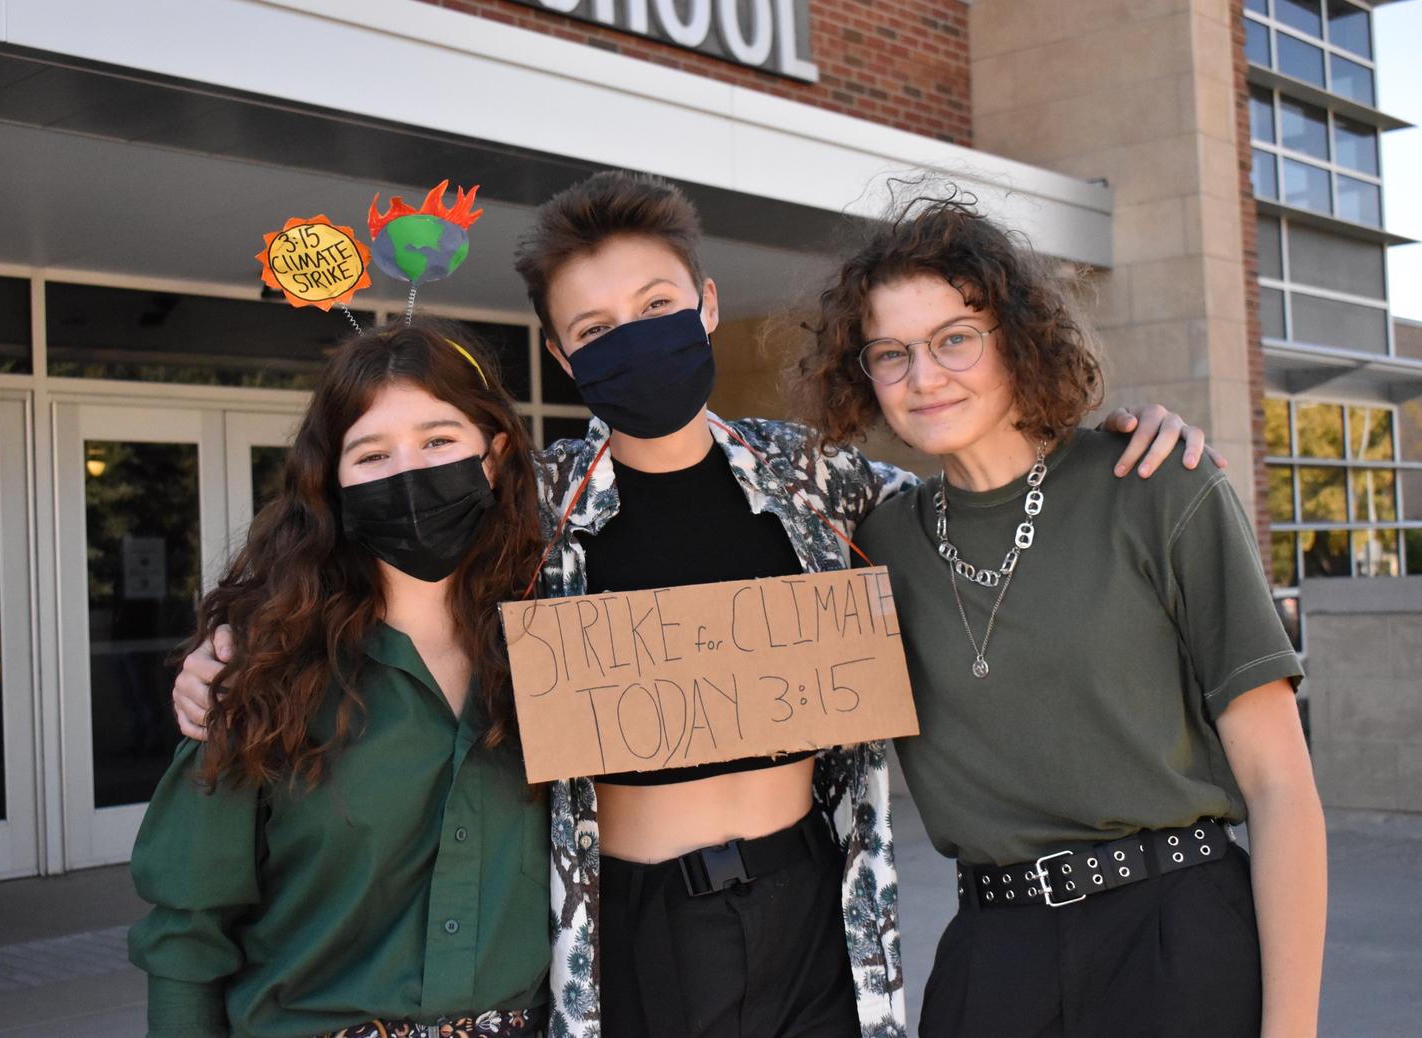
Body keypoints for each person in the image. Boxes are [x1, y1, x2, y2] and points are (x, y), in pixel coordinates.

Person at [175, 172, 1218, 1037]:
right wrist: (231, 641)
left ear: (708, 305)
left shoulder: (821, 480)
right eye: (595, 326)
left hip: (811, 910)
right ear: (561, 353)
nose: (631, 339)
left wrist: (1101, 439)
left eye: (658, 310)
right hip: (628, 929)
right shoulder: (530, 510)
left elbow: (980, 500)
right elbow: (368, 564)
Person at [789, 190, 1326, 1037]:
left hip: (1176, 937)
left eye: (954, 339)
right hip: (994, 959)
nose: (923, 377)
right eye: (889, 354)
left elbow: (1280, 783)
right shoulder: (874, 542)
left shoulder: (1158, 485)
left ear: (1018, 337)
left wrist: (1292, 1030)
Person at [129, 320, 551, 1038]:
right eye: (372, 453)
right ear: (333, 482)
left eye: (439, 440)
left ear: (495, 454)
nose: (409, 472)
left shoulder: (560, 643)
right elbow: (188, 934)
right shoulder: (262, 674)